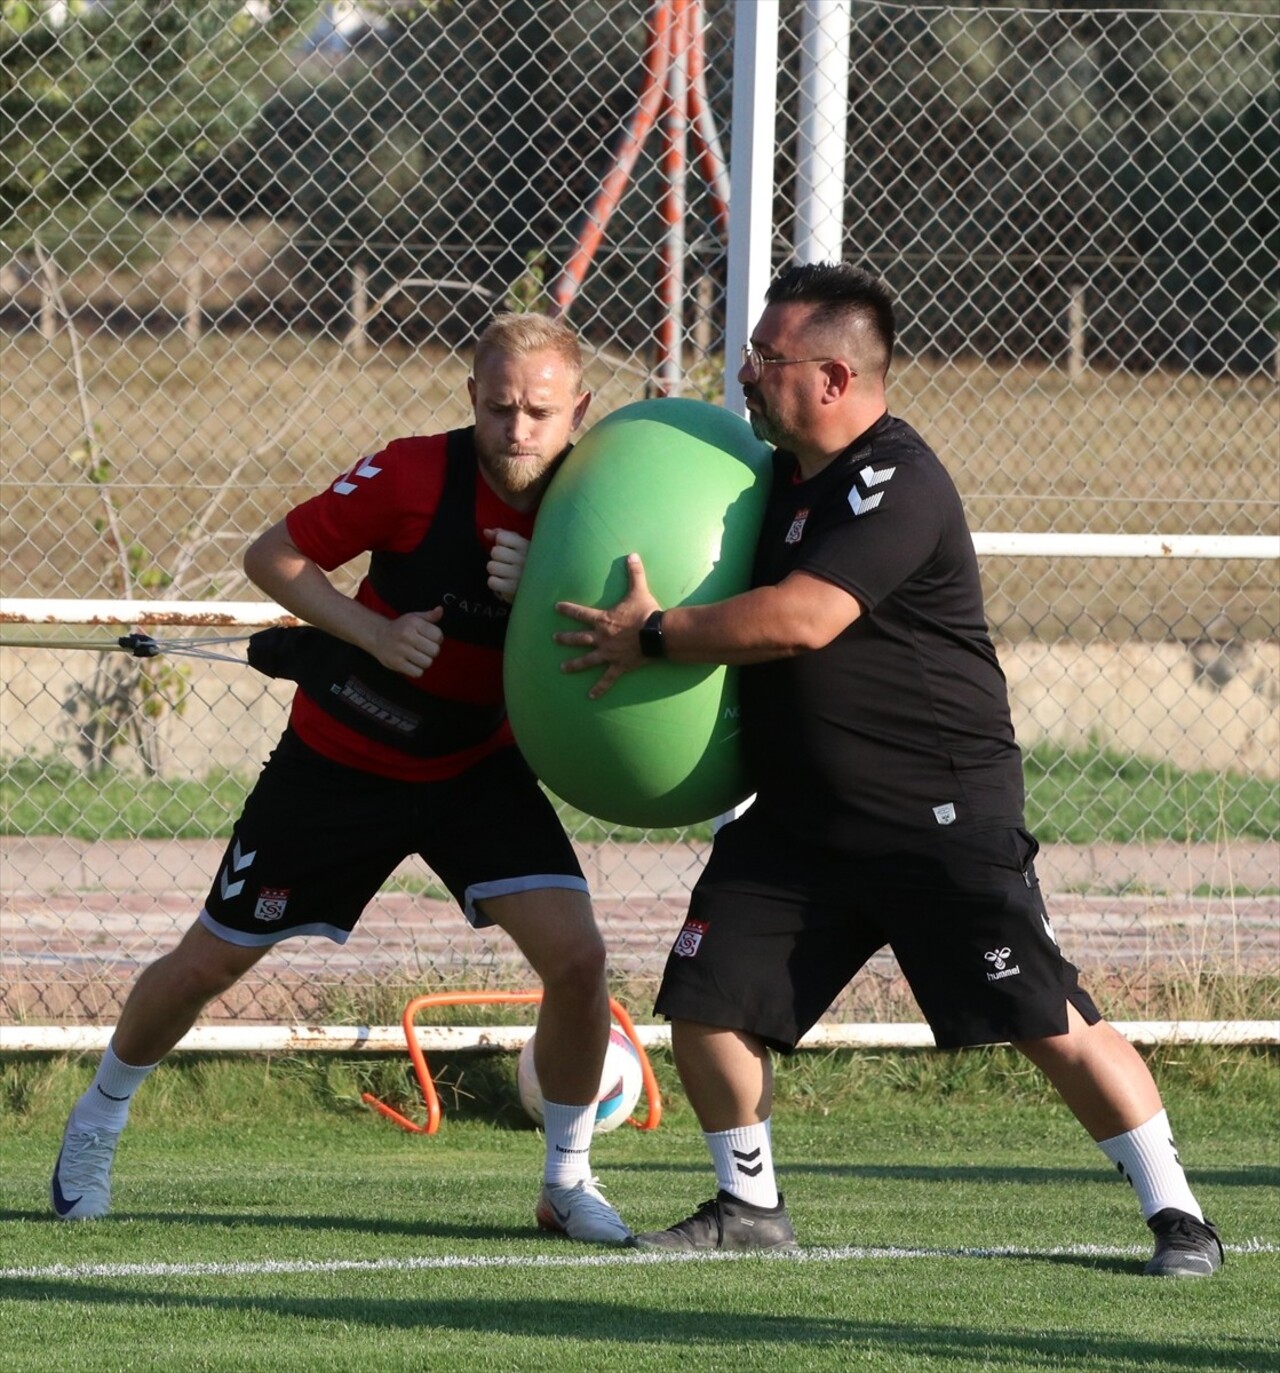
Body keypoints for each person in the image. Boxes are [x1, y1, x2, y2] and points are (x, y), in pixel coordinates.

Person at [553, 262, 1223, 1276]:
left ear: (830, 378)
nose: (744, 375)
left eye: (764, 359)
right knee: (704, 999)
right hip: (798, 822)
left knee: (1047, 1019)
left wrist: (655, 635)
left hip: (934, 812)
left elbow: (800, 618)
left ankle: (1177, 1214)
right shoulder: (773, 476)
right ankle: (748, 1204)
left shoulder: (896, 480)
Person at [51, 312, 632, 1245]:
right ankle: (97, 1122)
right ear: (471, 399)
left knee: (579, 960)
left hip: (474, 765)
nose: (517, 431)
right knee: (212, 960)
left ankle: (566, 1181)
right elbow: (272, 555)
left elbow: (636, 617)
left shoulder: (598, 500)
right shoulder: (409, 471)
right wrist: (372, 633)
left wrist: (559, 575)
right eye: (498, 408)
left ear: (580, 411)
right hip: (340, 763)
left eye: (539, 412)